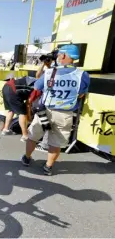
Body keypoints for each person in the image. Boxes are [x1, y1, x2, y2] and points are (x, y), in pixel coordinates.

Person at [22, 44, 90, 175]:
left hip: (45, 112)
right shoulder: (83, 75)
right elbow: (81, 94)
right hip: (65, 114)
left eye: (59, 54)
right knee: (56, 142)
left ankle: (27, 158)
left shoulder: (49, 72)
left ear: (64, 55)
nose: (57, 56)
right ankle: (48, 167)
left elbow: (37, 86)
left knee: (33, 136)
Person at [1, 76, 37, 142]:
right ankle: (25, 135)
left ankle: (5, 129)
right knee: (22, 113)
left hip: (6, 87)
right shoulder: (36, 88)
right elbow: (28, 103)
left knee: (11, 109)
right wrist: (29, 116)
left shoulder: (32, 80)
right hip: (13, 90)